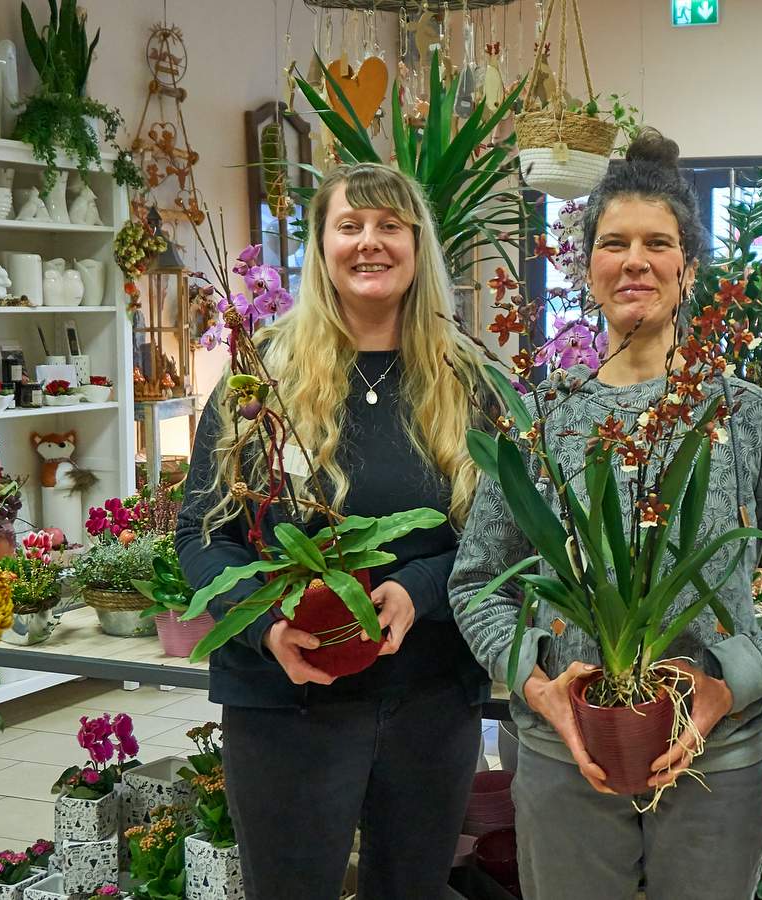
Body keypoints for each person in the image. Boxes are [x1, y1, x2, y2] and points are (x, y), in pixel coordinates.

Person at [448, 129, 762, 899]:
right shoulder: (542, 419)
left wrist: (728, 685)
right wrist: (537, 680)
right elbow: (478, 584)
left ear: (690, 267)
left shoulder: (747, 416)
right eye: (613, 242)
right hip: (563, 750)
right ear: (587, 268)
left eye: (657, 242)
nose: (634, 260)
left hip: (717, 760)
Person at [176, 163, 486, 899]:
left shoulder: (466, 378)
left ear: (418, 246)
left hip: (430, 700)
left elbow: (498, 539)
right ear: (321, 246)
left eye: (389, 227)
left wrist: (417, 590)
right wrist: (265, 626)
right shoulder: (262, 377)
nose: (369, 243)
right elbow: (201, 532)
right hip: (288, 699)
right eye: (350, 226)